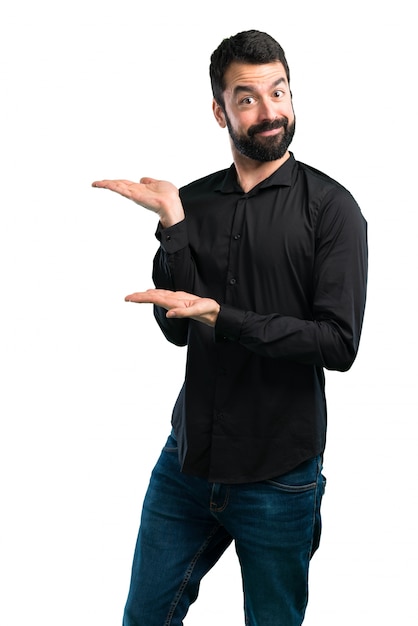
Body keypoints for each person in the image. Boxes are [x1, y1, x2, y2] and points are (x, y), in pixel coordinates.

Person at [92, 29, 368, 626]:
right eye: (247, 98)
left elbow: (338, 343)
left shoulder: (332, 210)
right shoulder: (193, 204)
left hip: (280, 477)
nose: (269, 111)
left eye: (279, 91)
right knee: (144, 619)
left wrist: (226, 317)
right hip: (187, 463)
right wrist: (172, 224)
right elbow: (177, 331)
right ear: (220, 110)